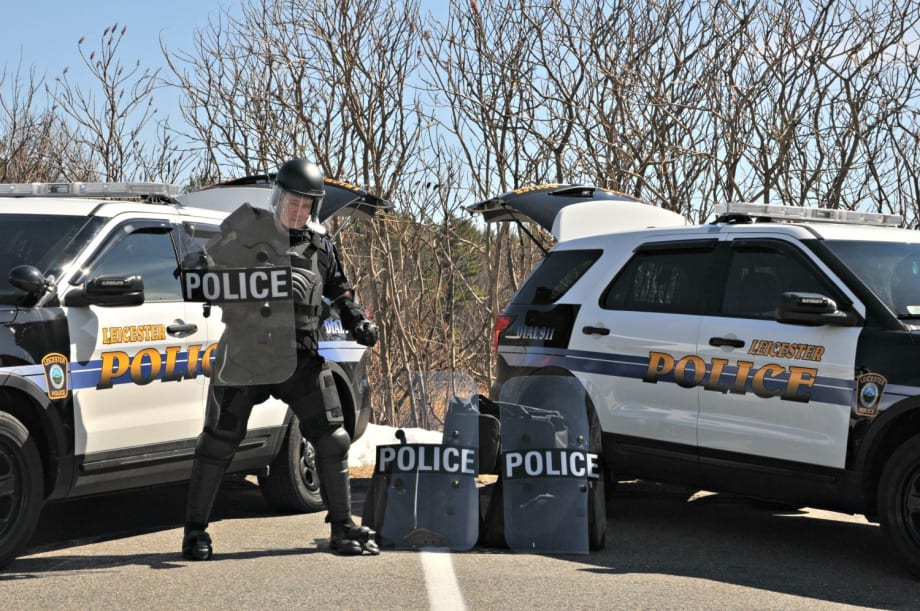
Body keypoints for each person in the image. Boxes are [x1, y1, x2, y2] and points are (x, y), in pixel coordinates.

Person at [182, 159, 381, 559]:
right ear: (279, 197)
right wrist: (196, 268)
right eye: (293, 202)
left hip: (298, 357)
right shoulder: (243, 229)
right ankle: (195, 531)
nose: (298, 212)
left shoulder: (319, 245)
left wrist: (356, 318)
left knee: (333, 438)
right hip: (244, 355)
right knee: (218, 443)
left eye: (307, 206)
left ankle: (341, 527)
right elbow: (205, 266)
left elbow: (340, 291)